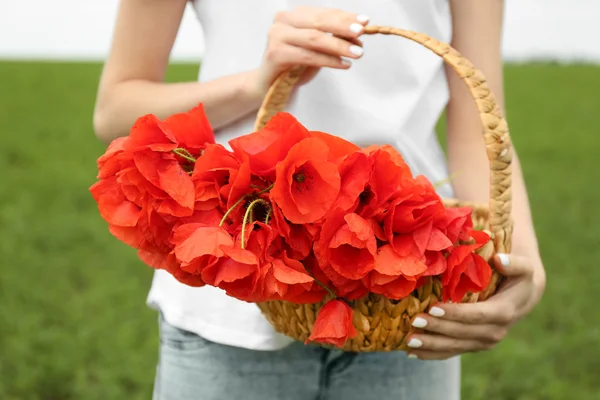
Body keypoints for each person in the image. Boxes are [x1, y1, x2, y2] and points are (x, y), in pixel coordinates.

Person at [93, 1, 546, 399]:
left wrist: (519, 258)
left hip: (410, 296)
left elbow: (479, 125)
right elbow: (114, 109)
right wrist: (255, 85)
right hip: (232, 305)